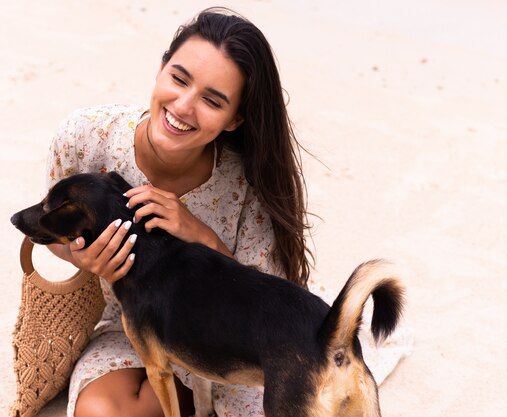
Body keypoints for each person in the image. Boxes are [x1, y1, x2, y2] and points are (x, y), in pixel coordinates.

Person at [45, 7, 312, 417]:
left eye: (212, 100)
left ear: (234, 119)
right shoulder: (84, 139)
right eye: (179, 78)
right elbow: (52, 234)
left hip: (228, 342)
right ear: (161, 67)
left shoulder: (249, 186)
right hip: (125, 327)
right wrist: (79, 257)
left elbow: (270, 302)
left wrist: (201, 235)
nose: (184, 106)